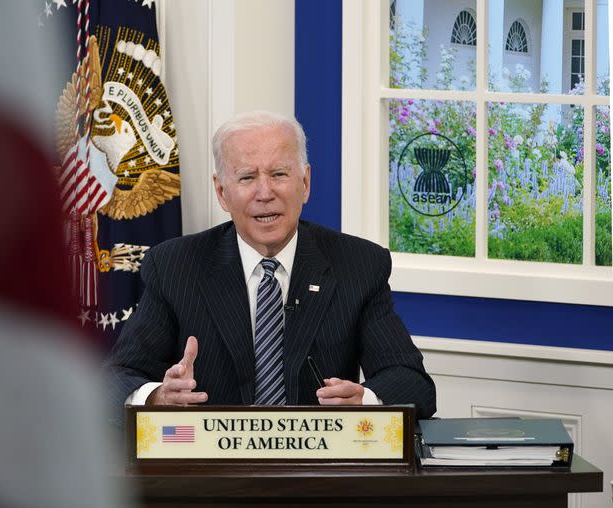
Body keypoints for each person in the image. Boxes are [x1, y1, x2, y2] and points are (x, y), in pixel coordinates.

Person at [107, 110, 435, 421]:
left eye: (279, 174)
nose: (265, 193)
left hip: (318, 468)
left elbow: (412, 384)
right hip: (212, 470)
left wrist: (364, 400)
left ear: (305, 183)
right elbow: (116, 380)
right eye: (247, 177)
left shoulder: (358, 265)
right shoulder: (175, 266)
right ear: (222, 192)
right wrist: (157, 398)